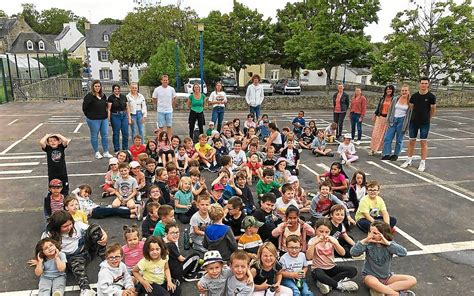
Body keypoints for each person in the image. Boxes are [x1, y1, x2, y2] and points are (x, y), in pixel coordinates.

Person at [39, 211, 108, 296]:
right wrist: (40, 259)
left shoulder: (76, 225)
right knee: (77, 266)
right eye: (65, 226)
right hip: (71, 258)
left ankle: (105, 257)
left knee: (95, 228)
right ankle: (85, 289)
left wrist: (104, 235)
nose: (69, 227)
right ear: (57, 226)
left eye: (70, 224)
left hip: (86, 250)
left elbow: (95, 228)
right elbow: (41, 248)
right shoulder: (48, 235)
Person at [350, 221, 417, 296]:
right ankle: (396, 294)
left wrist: (388, 243)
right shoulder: (368, 243)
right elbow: (353, 253)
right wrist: (364, 240)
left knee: (412, 280)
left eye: (375, 233)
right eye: (370, 232)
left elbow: (403, 253)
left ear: (383, 234)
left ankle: (380, 290)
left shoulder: (390, 244)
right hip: (370, 276)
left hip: (386, 277)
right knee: (370, 281)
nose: (371, 235)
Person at [306, 218, 358, 294]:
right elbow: (309, 257)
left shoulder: (332, 239)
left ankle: (326, 283)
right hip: (318, 268)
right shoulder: (312, 241)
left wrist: (336, 243)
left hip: (331, 267)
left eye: (327, 232)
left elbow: (342, 253)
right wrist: (314, 243)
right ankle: (338, 285)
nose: (324, 234)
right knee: (317, 273)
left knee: (353, 270)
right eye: (321, 231)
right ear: (315, 229)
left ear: (330, 231)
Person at [401, 77, 437, 172]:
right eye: (422, 83)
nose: (424, 85)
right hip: (414, 122)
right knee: (411, 141)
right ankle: (409, 160)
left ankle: (422, 162)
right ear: (419, 84)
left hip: (425, 123)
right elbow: (412, 107)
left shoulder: (431, 97)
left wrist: (428, 118)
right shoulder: (414, 96)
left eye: (425, 83)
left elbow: (433, 109)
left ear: (428, 84)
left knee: (423, 142)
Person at [82, 80, 112, 159]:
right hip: (93, 120)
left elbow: (105, 106)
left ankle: (106, 152)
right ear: (93, 87)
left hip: (104, 118)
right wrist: (89, 115)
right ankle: (97, 152)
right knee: (95, 135)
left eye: (99, 86)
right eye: (96, 86)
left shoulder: (103, 95)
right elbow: (84, 107)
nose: (97, 88)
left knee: (105, 135)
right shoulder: (89, 96)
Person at [382, 84, 412, 161]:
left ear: (408, 91)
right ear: (400, 91)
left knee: (399, 140)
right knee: (387, 138)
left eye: (406, 90)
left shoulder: (410, 101)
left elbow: (410, 114)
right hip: (393, 120)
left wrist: (407, 126)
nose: (404, 92)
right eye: (403, 90)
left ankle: (396, 154)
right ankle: (387, 154)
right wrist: (388, 120)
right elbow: (390, 110)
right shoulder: (396, 99)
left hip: (402, 121)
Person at [370, 85, 395, 155]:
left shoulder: (394, 99)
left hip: (388, 119)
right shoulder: (382, 98)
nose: (389, 91)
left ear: (392, 90)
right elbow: (378, 107)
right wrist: (374, 115)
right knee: (375, 134)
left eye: (390, 89)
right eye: (387, 89)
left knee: (385, 136)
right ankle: (373, 149)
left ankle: (383, 151)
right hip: (380, 117)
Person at [107, 84, 131, 153]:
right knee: (116, 133)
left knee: (125, 133)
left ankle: (125, 149)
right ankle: (117, 149)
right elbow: (109, 109)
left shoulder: (124, 97)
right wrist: (109, 120)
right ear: (113, 90)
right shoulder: (111, 98)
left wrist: (129, 118)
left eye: (118, 89)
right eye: (115, 89)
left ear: (120, 89)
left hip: (124, 116)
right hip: (115, 116)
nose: (117, 90)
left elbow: (127, 108)